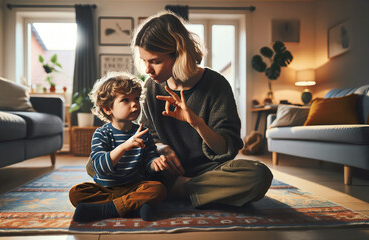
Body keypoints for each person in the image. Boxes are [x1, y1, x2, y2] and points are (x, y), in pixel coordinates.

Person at [88, 11, 274, 209]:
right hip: (164, 170)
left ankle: (172, 190)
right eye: (144, 61)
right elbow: (148, 136)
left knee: (258, 176)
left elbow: (226, 150)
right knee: (95, 163)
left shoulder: (216, 85)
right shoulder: (152, 87)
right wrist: (162, 149)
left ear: (178, 54)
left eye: (155, 61)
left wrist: (197, 123)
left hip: (208, 171)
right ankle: (185, 192)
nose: (148, 70)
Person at [69, 72, 167, 222]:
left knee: (158, 188)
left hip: (134, 187)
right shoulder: (101, 134)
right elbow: (100, 166)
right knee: (76, 192)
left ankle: (107, 209)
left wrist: (154, 163)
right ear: (108, 109)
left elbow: (148, 161)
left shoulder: (143, 132)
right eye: (125, 100)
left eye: (136, 99)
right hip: (106, 189)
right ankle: (134, 207)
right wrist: (124, 146)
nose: (134, 104)